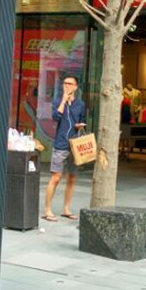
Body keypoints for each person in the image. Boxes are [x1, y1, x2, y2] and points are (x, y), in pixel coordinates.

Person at [43, 74, 86, 221]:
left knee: (72, 177)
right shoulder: (57, 101)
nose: (67, 86)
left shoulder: (80, 104)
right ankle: (47, 210)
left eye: (70, 83)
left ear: (76, 87)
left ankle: (66, 209)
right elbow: (56, 117)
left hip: (75, 145)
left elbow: (82, 121)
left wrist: (80, 126)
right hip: (61, 144)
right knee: (56, 177)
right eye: (65, 83)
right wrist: (63, 100)